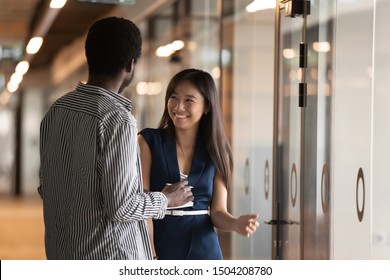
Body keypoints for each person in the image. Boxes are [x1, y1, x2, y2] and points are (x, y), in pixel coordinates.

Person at [38, 17, 193, 260]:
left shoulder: (56, 111)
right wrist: (167, 199)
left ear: (89, 58)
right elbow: (123, 207)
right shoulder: (117, 119)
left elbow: (46, 187)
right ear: (131, 65)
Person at [138, 69, 259, 260]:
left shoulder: (217, 152)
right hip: (160, 245)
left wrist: (235, 223)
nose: (178, 107)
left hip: (204, 250)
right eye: (174, 97)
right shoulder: (147, 141)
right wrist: (151, 254)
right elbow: (142, 204)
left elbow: (218, 212)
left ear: (206, 106)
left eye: (189, 100)